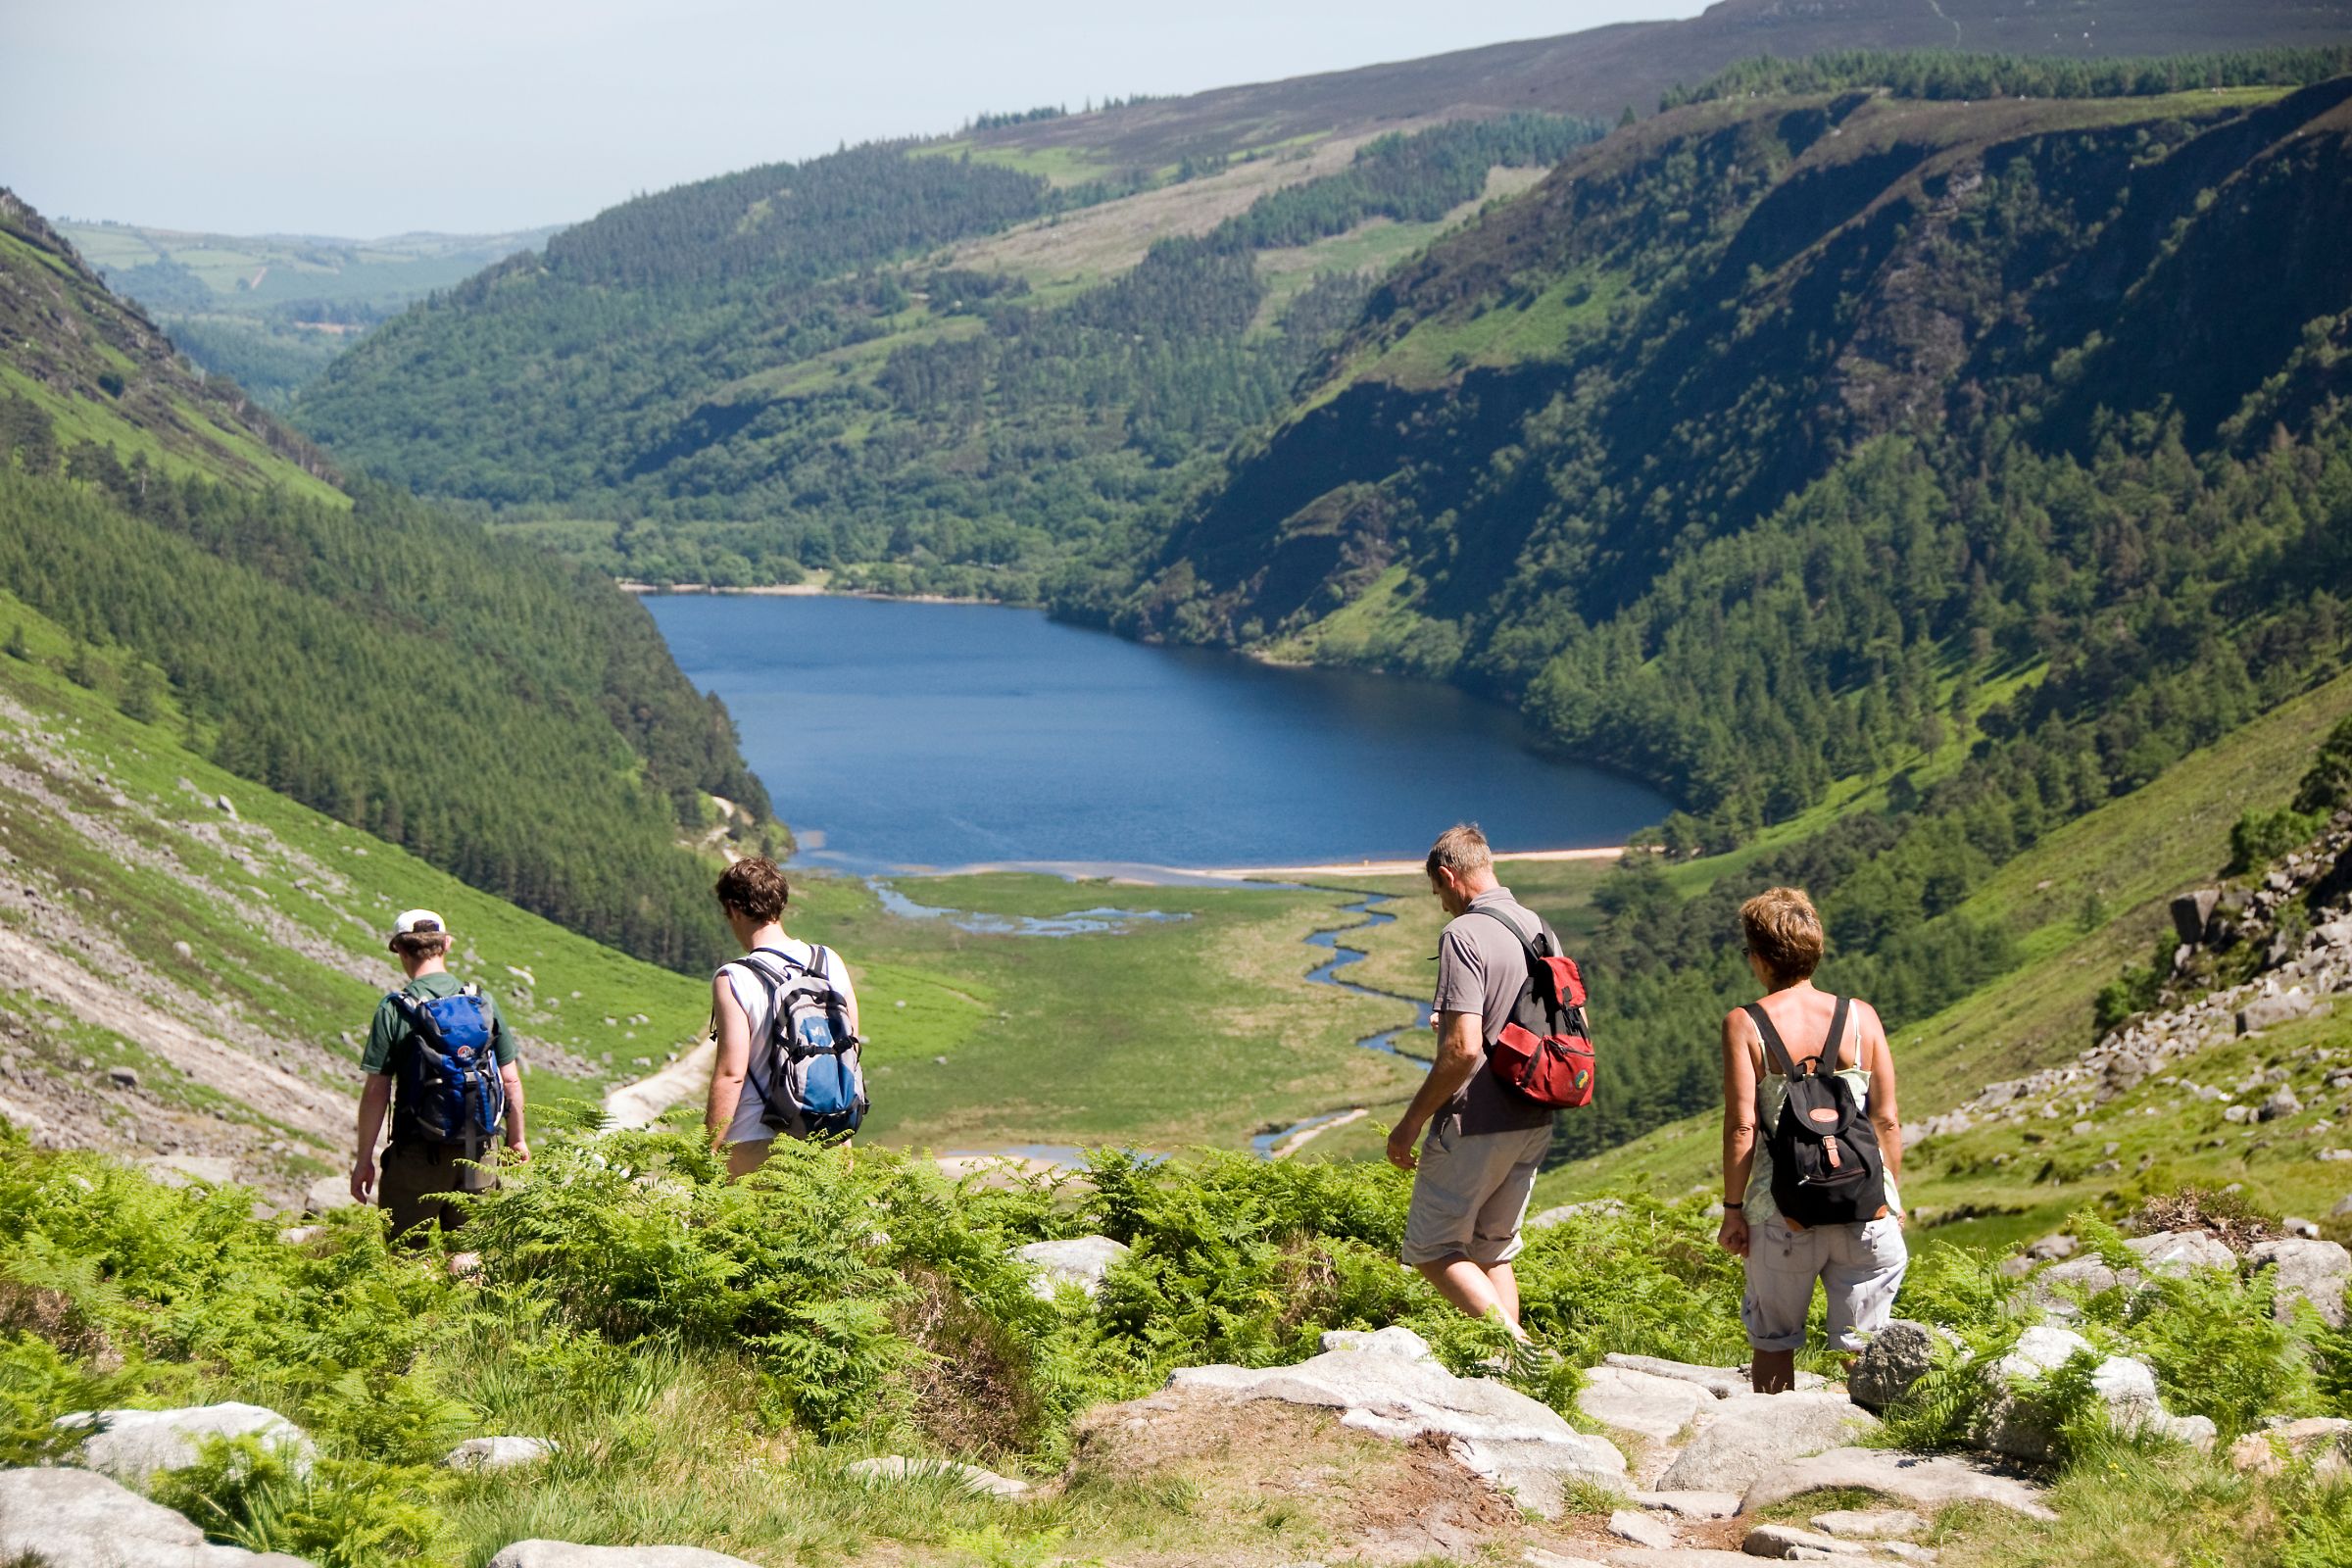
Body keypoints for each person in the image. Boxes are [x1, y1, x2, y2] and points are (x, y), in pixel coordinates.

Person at [1717, 886, 1906, 1393]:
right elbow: (1885, 1119)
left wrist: (1733, 1209)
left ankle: (1777, 1449)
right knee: (1865, 1349)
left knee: (1774, 1341)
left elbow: (1742, 1126)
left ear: (1759, 957)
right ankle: (1877, 1447)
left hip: (1781, 1213)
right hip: (1865, 1207)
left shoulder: (1746, 1024)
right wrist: (1891, 1194)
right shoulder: (1861, 1017)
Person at [1386, 823, 1560, 1340]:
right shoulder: (1540, 928)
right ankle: (1515, 1376)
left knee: (1432, 1248)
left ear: (1448, 875)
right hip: (1534, 1114)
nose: (1442, 905)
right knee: (1492, 1247)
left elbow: (1463, 1050)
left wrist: (1409, 1124)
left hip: (1476, 1118)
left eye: (1438, 892)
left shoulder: (1463, 933)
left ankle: (1525, 1354)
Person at [350, 908, 526, 1237]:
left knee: (407, 1256)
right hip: (479, 1150)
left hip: (417, 1153)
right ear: (446, 945)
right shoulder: (481, 1001)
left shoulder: (395, 1009)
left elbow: (377, 1091)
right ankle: (466, 1289)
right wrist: (516, 1139)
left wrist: (364, 1161)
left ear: (400, 950)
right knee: (469, 1250)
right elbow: (511, 1080)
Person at [706, 857, 862, 1179]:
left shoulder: (733, 977)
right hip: (826, 1136)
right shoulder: (828, 961)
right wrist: (844, 1139)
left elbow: (732, 1074)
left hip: (754, 1141)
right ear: (779, 904)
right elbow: (849, 1051)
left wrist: (706, 1151)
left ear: (734, 909)